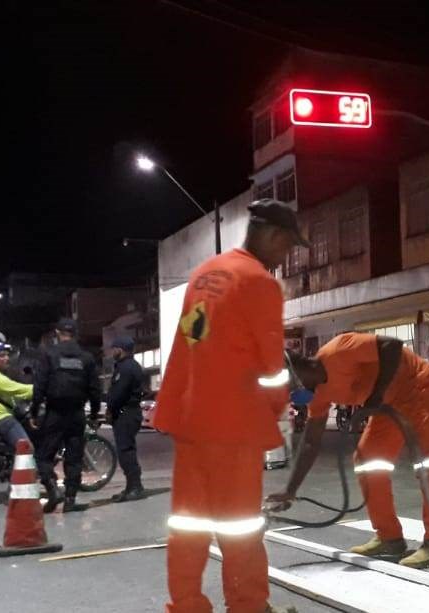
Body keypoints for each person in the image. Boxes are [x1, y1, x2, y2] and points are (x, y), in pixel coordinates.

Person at [153, 200, 304, 613]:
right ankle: (249, 605)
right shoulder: (259, 282)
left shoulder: (205, 273)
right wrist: (279, 411)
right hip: (233, 422)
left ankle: (187, 605)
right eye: (288, 247)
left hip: (189, 418)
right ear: (273, 236)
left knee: (189, 523)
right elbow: (272, 367)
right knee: (239, 526)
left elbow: (193, 339)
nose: (285, 258)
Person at [266, 332, 429, 569]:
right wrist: (289, 490)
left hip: (420, 386)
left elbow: (391, 345)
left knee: (427, 463)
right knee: (368, 460)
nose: (291, 395)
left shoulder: (339, 351)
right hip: (388, 403)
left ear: (298, 370)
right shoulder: (318, 395)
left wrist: (376, 393)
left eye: (289, 387)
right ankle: (389, 537)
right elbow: (311, 442)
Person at [34, 317, 101, 513]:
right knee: (74, 457)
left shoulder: (49, 355)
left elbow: (40, 385)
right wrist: (95, 413)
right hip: (76, 414)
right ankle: (70, 499)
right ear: (75, 334)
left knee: (44, 455)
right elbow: (95, 389)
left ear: (57, 333)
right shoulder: (86, 358)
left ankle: (53, 489)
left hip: (55, 412)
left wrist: (34, 410)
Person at [106, 337, 147, 503]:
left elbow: (119, 393)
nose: (111, 352)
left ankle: (135, 487)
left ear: (120, 349)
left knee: (126, 451)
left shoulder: (126, 368)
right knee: (126, 450)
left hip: (126, 413)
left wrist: (110, 408)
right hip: (128, 412)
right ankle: (131, 487)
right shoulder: (129, 366)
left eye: (113, 348)